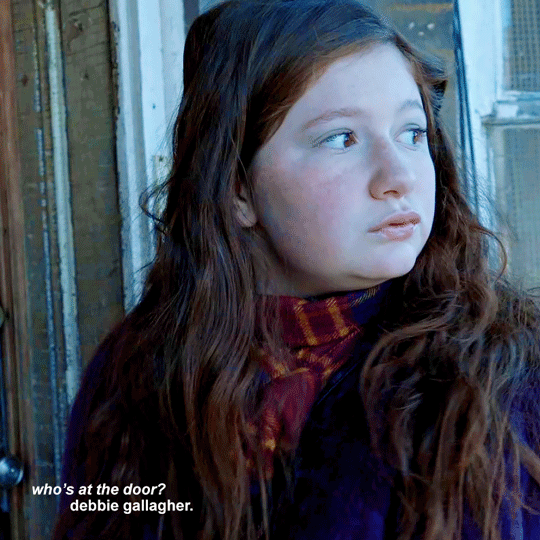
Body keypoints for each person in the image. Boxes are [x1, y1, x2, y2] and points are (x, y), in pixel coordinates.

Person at [53, 0, 540, 539]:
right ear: (238, 190)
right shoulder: (138, 378)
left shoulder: (504, 375)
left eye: (412, 132)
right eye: (341, 139)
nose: (399, 175)